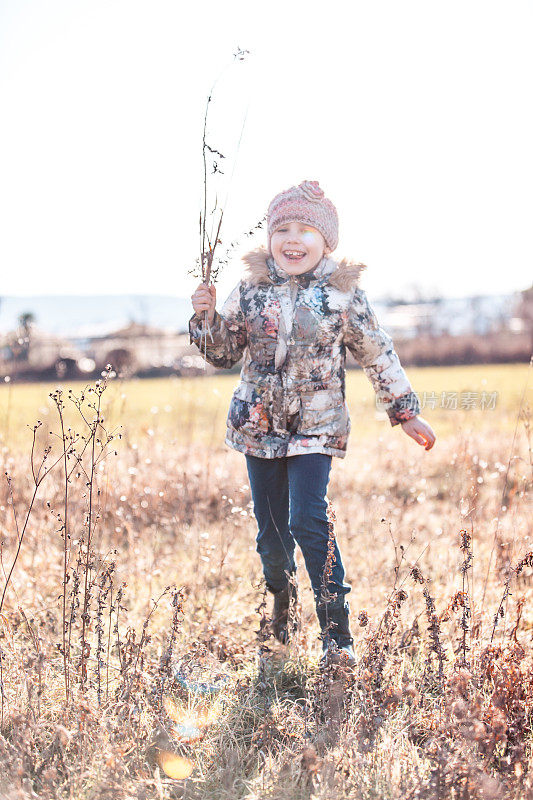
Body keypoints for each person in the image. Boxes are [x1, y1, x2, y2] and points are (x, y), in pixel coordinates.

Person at [189, 180, 436, 668]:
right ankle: (281, 602)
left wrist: (405, 410)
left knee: (308, 517)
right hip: (259, 427)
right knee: (272, 540)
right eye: (282, 228)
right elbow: (221, 354)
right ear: (270, 237)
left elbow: (376, 352)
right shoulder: (251, 290)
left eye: (305, 229)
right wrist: (206, 317)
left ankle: (337, 637)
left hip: (317, 428)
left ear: (326, 241)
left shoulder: (342, 296)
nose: (292, 238)